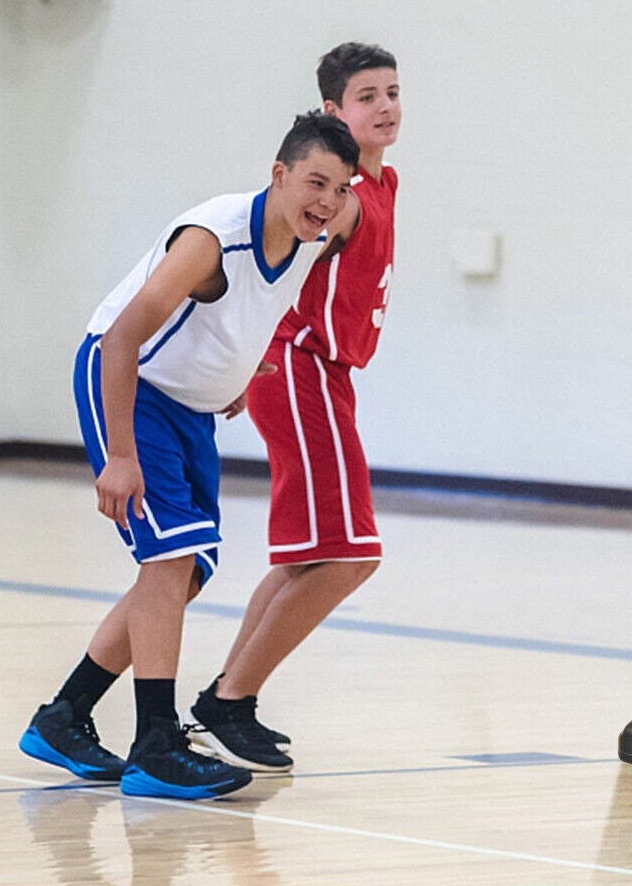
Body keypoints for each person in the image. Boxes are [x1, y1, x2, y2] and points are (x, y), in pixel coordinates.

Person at [19, 112, 359, 801]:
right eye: (315, 182)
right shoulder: (212, 240)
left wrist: (237, 371)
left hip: (193, 407)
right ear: (279, 174)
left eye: (339, 187)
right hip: (131, 385)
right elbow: (119, 339)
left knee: (186, 572)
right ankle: (156, 744)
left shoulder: (318, 231)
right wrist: (119, 455)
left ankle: (64, 716)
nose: (326, 200)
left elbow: (270, 298)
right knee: (167, 560)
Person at [191, 42, 400, 772]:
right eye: (367, 96)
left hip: (324, 372)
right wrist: (247, 356)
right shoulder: (340, 203)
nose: (385, 106)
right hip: (298, 364)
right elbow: (276, 259)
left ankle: (228, 696)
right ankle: (229, 701)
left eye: (392, 92)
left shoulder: (383, 184)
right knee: (351, 557)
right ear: (331, 112)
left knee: (311, 557)